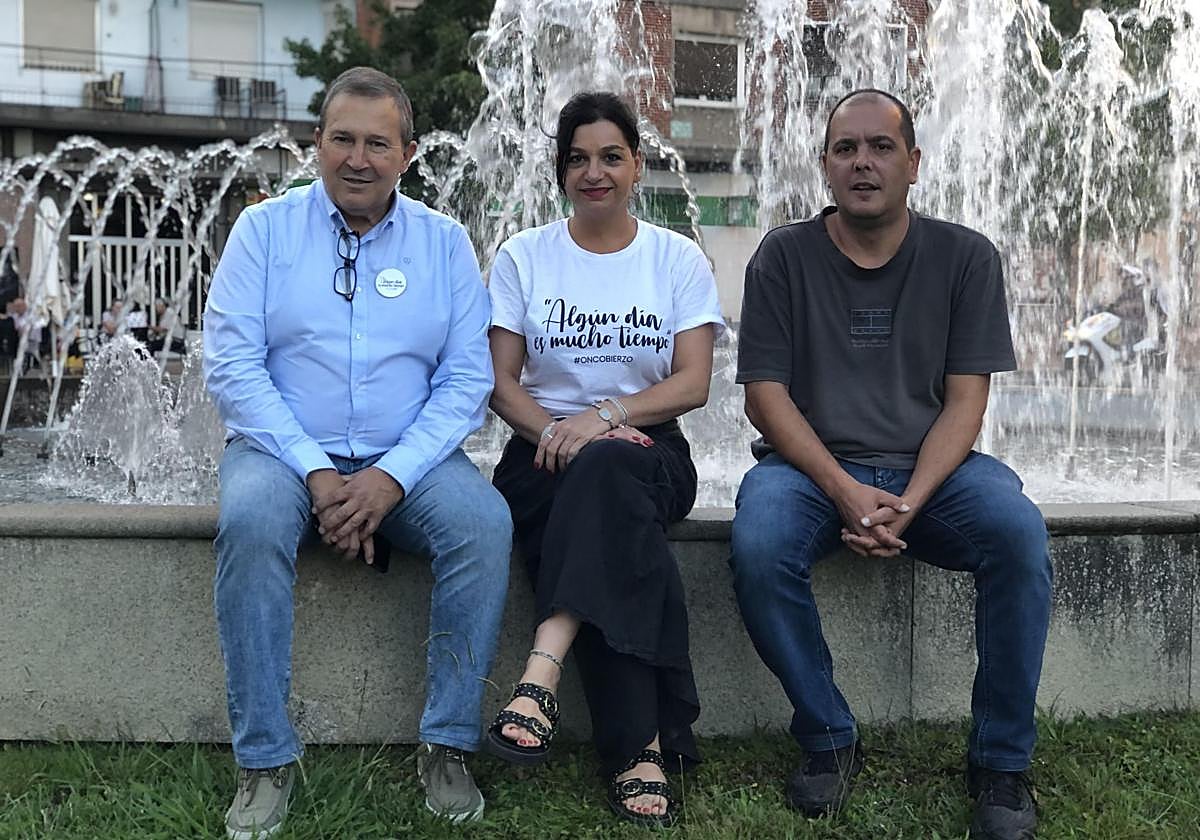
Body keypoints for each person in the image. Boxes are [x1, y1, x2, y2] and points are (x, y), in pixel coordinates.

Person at [729, 89, 1051, 840]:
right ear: (825, 165)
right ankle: (828, 739)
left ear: (913, 162)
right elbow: (765, 399)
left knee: (1017, 534)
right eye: (845, 149)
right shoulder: (783, 256)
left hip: (935, 473)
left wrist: (909, 501)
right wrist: (845, 491)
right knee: (760, 541)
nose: (862, 163)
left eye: (880, 147)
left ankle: (1001, 763)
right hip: (810, 474)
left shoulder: (966, 257)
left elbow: (966, 405)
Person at [203, 66, 512, 838]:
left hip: (407, 459)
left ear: (408, 154)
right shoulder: (263, 231)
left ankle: (447, 745)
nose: (358, 158)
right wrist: (314, 469)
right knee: (250, 520)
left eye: (378, 143)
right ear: (316, 143)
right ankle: (264, 759)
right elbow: (232, 367)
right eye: (342, 138)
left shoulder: (444, 244)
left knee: (484, 525)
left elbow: (467, 381)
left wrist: (389, 478)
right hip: (279, 453)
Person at [483, 91, 724, 826]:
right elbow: (501, 384)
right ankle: (640, 748)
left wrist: (607, 418)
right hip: (540, 451)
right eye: (578, 159)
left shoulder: (676, 257)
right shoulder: (524, 255)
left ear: (637, 165)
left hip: (650, 448)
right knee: (617, 520)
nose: (595, 173)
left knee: (612, 469)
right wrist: (562, 434)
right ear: (561, 171)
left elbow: (693, 382)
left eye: (611, 157)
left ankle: (543, 667)